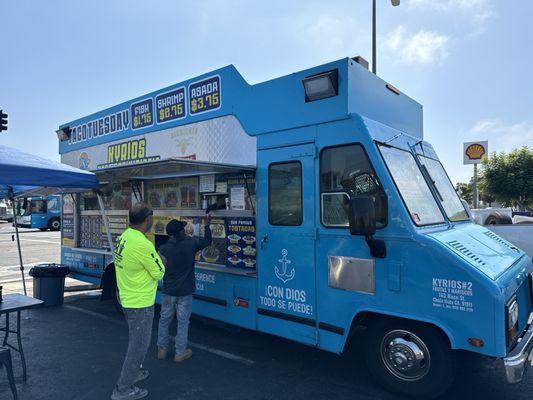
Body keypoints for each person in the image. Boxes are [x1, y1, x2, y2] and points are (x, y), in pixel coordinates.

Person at [111, 203, 165, 400]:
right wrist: (161, 259)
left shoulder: (125, 236)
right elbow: (159, 272)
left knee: (139, 342)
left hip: (128, 297)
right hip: (140, 303)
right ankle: (123, 389)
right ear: (148, 219)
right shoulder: (143, 244)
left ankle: (135, 372)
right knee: (138, 346)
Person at [156, 214, 212, 362]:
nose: (185, 230)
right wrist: (207, 225)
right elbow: (207, 241)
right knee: (182, 321)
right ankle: (179, 352)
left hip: (168, 291)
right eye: (183, 229)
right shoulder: (191, 243)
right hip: (185, 291)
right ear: (180, 232)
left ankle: (162, 349)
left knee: (164, 319)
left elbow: (159, 268)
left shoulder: (163, 249)